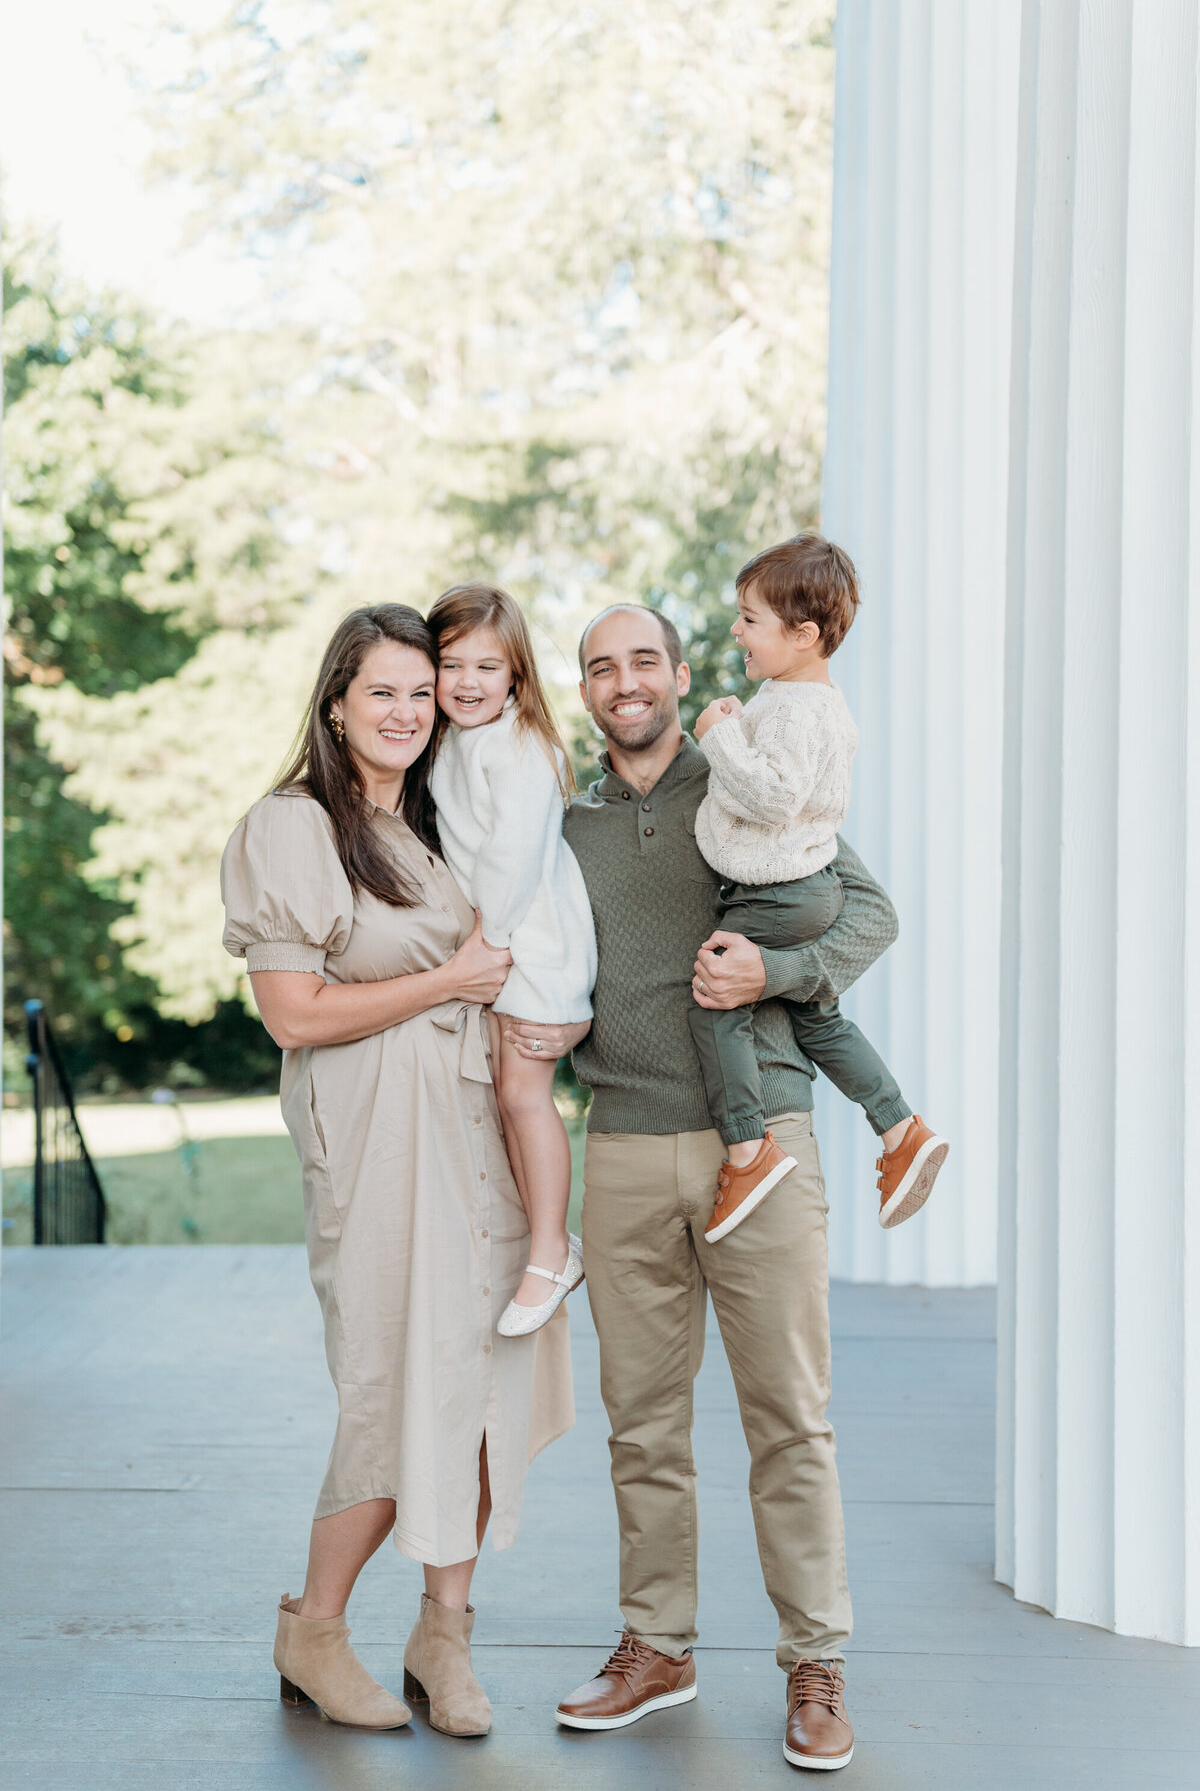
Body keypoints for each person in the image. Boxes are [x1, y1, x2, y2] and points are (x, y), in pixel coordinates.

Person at [501, 604, 898, 1772]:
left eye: (642, 660)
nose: (622, 681)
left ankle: (815, 1661)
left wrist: (776, 968)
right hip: (620, 1143)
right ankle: (655, 1645)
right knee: (644, 1426)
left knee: (789, 1417)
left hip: (758, 1142)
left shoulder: (745, 783)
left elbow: (869, 912)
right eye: (598, 667)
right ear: (584, 692)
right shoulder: (562, 825)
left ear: (680, 675)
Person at [220, 603, 573, 1741]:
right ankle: (314, 1627)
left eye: (423, 693)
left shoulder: (434, 819)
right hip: (374, 1140)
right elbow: (294, 1012)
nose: (410, 711)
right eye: (384, 691)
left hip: (474, 1131)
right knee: (385, 1391)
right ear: (334, 701)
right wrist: (448, 979)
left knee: (478, 1387)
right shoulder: (294, 827)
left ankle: (444, 1634)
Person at [689, 534, 949, 1241]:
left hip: (775, 893)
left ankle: (747, 1149)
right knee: (818, 1018)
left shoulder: (801, 707)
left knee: (716, 1000)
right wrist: (745, 727)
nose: (737, 630)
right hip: (801, 888)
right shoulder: (798, 697)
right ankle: (900, 1128)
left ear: (803, 635)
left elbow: (773, 795)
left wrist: (717, 735)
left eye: (749, 618)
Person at [428, 582, 596, 1336]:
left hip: (531, 940)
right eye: (450, 663)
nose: (466, 682)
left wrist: (484, 945)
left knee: (526, 1095)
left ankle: (551, 1252)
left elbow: (514, 856)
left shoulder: (521, 745)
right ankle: (547, 1243)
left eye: (486, 668)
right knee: (506, 1095)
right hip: (501, 944)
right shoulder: (454, 744)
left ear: (517, 679)